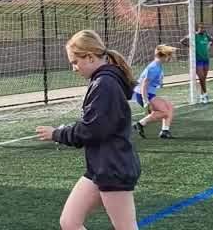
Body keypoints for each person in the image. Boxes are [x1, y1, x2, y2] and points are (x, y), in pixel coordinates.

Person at [36, 29, 141, 230]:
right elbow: (95, 124)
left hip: (113, 168)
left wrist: (57, 134)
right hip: (100, 167)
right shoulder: (102, 81)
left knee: (126, 227)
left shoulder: (105, 84)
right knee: (69, 222)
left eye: (75, 62)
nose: (74, 68)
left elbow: (93, 129)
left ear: (90, 57)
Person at [132, 44, 177, 139]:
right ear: (163, 55)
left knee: (170, 107)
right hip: (143, 94)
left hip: (149, 93)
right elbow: (144, 84)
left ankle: (165, 131)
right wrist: (145, 101)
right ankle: (140, 124)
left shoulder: (158, 65)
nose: (170, 58)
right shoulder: (153, 67)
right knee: (164, 112)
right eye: (169, 55)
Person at [180, 22, 213, 104]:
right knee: (201, 77)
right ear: (198, 28)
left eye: (204, 28)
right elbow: (182, 41)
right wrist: (190, 46)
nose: (203, 29)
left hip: (206, 59)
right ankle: (205, 95)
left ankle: (202, 96)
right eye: (201, 28)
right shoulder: (194, 35)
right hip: (197, 59)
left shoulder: (206, 35)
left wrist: (209, 45)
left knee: (203, 78)